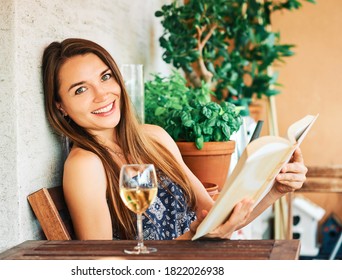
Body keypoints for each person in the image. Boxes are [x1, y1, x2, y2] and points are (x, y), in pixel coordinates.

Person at [41, 38, 308, 241]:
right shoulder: (85, 165)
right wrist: (192, 240)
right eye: (81, 89)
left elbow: (217, 216)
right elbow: (102, 267)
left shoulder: (153, 137)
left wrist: (276, 189)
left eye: (105, 77)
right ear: (61, 106)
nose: (102, 95)